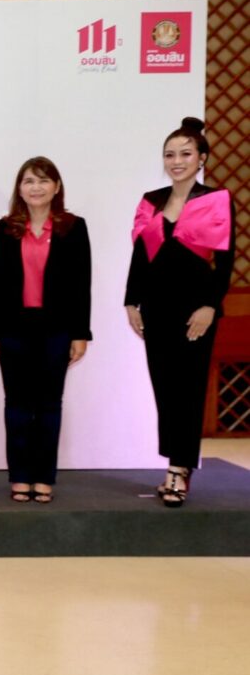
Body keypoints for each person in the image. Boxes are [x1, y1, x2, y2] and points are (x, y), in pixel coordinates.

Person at [124, 117, 233, 507]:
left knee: (189, 390)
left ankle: (179, 469)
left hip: (195, 312)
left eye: (185, 154)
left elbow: (225, 262)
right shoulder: (151, 200)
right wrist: (131, 302)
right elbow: (140, 256)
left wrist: (210, 306)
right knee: (165, 390)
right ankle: (174, 462)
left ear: (201, 158)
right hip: (156, 309)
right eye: (169, 155)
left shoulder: (216, 199)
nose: (176, 161)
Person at [0, 157, 92, 503]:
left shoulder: (73, 228)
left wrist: (80, 333)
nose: (36, 187)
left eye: (44, 180)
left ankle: (44, 478)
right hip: (13, 330)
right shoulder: (5, 229)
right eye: (29, 181)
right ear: (20, 188)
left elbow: (82, 284)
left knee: (48, 405)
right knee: (16, 405)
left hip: (57, 330)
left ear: (56, 187)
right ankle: (19, 477)